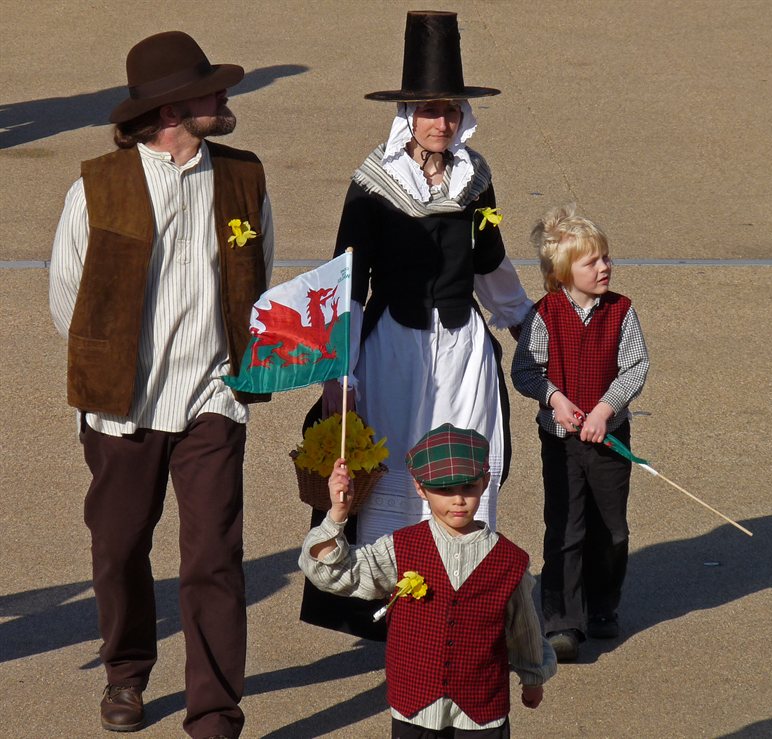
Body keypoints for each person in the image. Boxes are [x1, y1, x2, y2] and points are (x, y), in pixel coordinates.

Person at [49, 31, 274, 738]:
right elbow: (67, 297)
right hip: (124, 408)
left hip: (213, 398)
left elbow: (259, 271)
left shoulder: (244, 176)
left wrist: (239, 373)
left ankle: (215, 713)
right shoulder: (96, 187)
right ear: (173, 109)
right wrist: (113, 369)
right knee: (118, 550)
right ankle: (127, 671)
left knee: (213, 559)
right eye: (211, 89)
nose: (225, 96)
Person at [302, 9, 532, 639]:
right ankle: (394, 610)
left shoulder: (476, 179)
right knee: (396, 471)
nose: (442, 122)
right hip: (394, 350)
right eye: (430, 110)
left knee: (463, 468)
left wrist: (529, 327)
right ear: (407, 114)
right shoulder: (373, 185)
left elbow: (490, 260)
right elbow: (346, 280)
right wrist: (336, 373)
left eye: (451, 110)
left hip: (462, 351)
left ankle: (466, 599)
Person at [300, 424, 557, 738]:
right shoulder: (400, 547)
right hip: (415, 707)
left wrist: (533, 678)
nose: (458, 500)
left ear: (485, 482)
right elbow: (334, 573)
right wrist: (339, 512)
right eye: (444, 490)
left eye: (468, 487)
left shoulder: (509, 560)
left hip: (481, 709)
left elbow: (525, 629)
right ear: (420, 488)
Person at [510, 204, 649, 662]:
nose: (605, 267)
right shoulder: (544, 314)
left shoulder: (621, 311)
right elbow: (526, 371)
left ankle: (603, 605)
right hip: (561, 441)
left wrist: (606, 409)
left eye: (606, 258)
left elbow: (635, 367)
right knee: (565, 529)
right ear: (563, 272)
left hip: (610, 439)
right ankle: (562, 621)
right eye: (592, 262)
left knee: (612, 530)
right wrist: (555, 399)